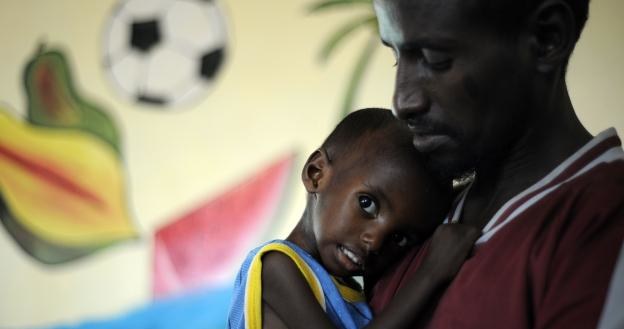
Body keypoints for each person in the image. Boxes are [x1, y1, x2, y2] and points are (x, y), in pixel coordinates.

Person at [368, 0, 624, 328]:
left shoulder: (602, 224)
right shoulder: (405, 219)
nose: (402, 102)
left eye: (435, 59)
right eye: (396, 56)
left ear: (548, 37)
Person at [227, 108, 480, 329]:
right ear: (316, 174)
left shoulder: (347, 289)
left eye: (399, 237)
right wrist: (431, 272)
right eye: (367, 204)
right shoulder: (276, 266)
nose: (376, 240)